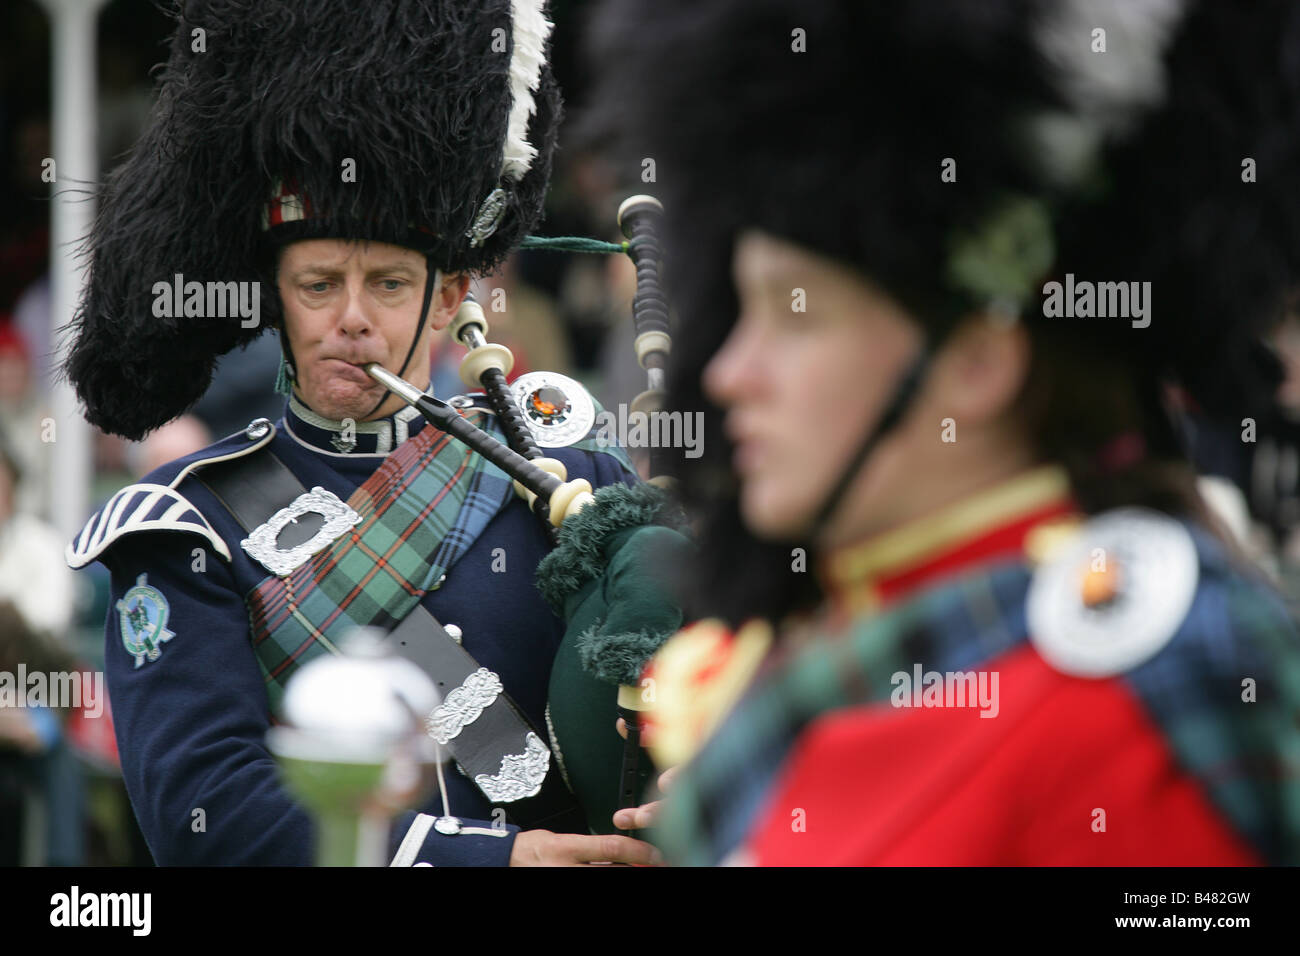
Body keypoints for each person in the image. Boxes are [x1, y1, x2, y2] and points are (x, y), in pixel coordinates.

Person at [590, 0, 1300, 864]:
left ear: (976, 363)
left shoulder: (1145, 676)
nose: (731, 372)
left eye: (795, 315)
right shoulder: (806, 645)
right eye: (743, 311)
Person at [64, 0, 659, 867]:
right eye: (317, 284)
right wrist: (494, 861)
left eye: (386, 284)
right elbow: (206, 815)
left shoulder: (567, 474)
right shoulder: (187, 526)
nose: (351, 320)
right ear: (277, 296)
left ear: (449, 299)